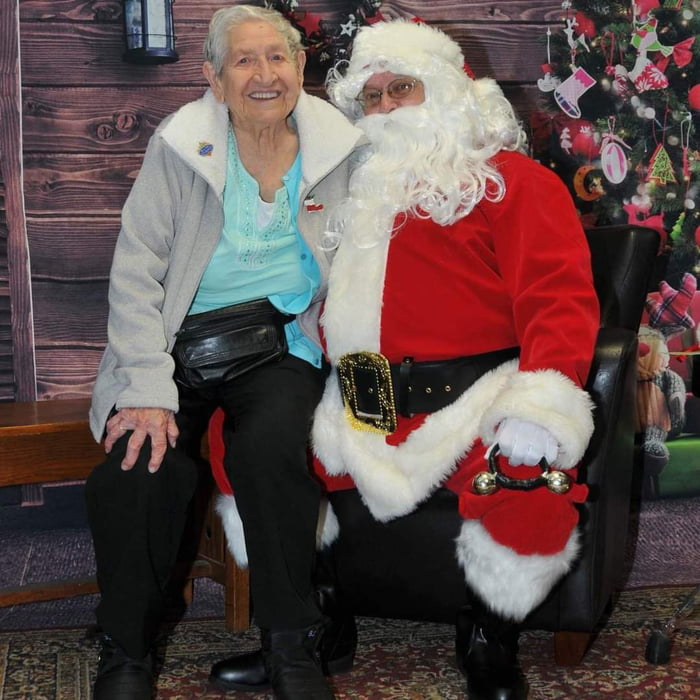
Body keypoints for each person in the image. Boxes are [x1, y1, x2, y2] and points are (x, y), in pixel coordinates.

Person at [308, 19, 600, 700]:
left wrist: (540, 402)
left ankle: (489, 632)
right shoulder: (347, 195)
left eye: (400, 89)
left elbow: (559, 299)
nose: (383, 110)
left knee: (526, 474)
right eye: (370, 97)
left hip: (472, 400)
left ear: (447, 94)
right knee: (248, 440)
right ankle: (322, 612)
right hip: (359, 401)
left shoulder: (514, 183)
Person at [85, 5, 363, 700]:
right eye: (244, 60)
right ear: (213, 77)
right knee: (139, 466)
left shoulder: (342, 150)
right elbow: (135, 270)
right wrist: (146, 387)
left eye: (278, 58)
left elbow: (370, 257)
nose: (264, 74)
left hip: (280, 342)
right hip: (173, 342)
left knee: (270, 452)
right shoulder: (179, 148)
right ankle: (127, 648)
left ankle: (291, 642)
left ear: (302, 68)